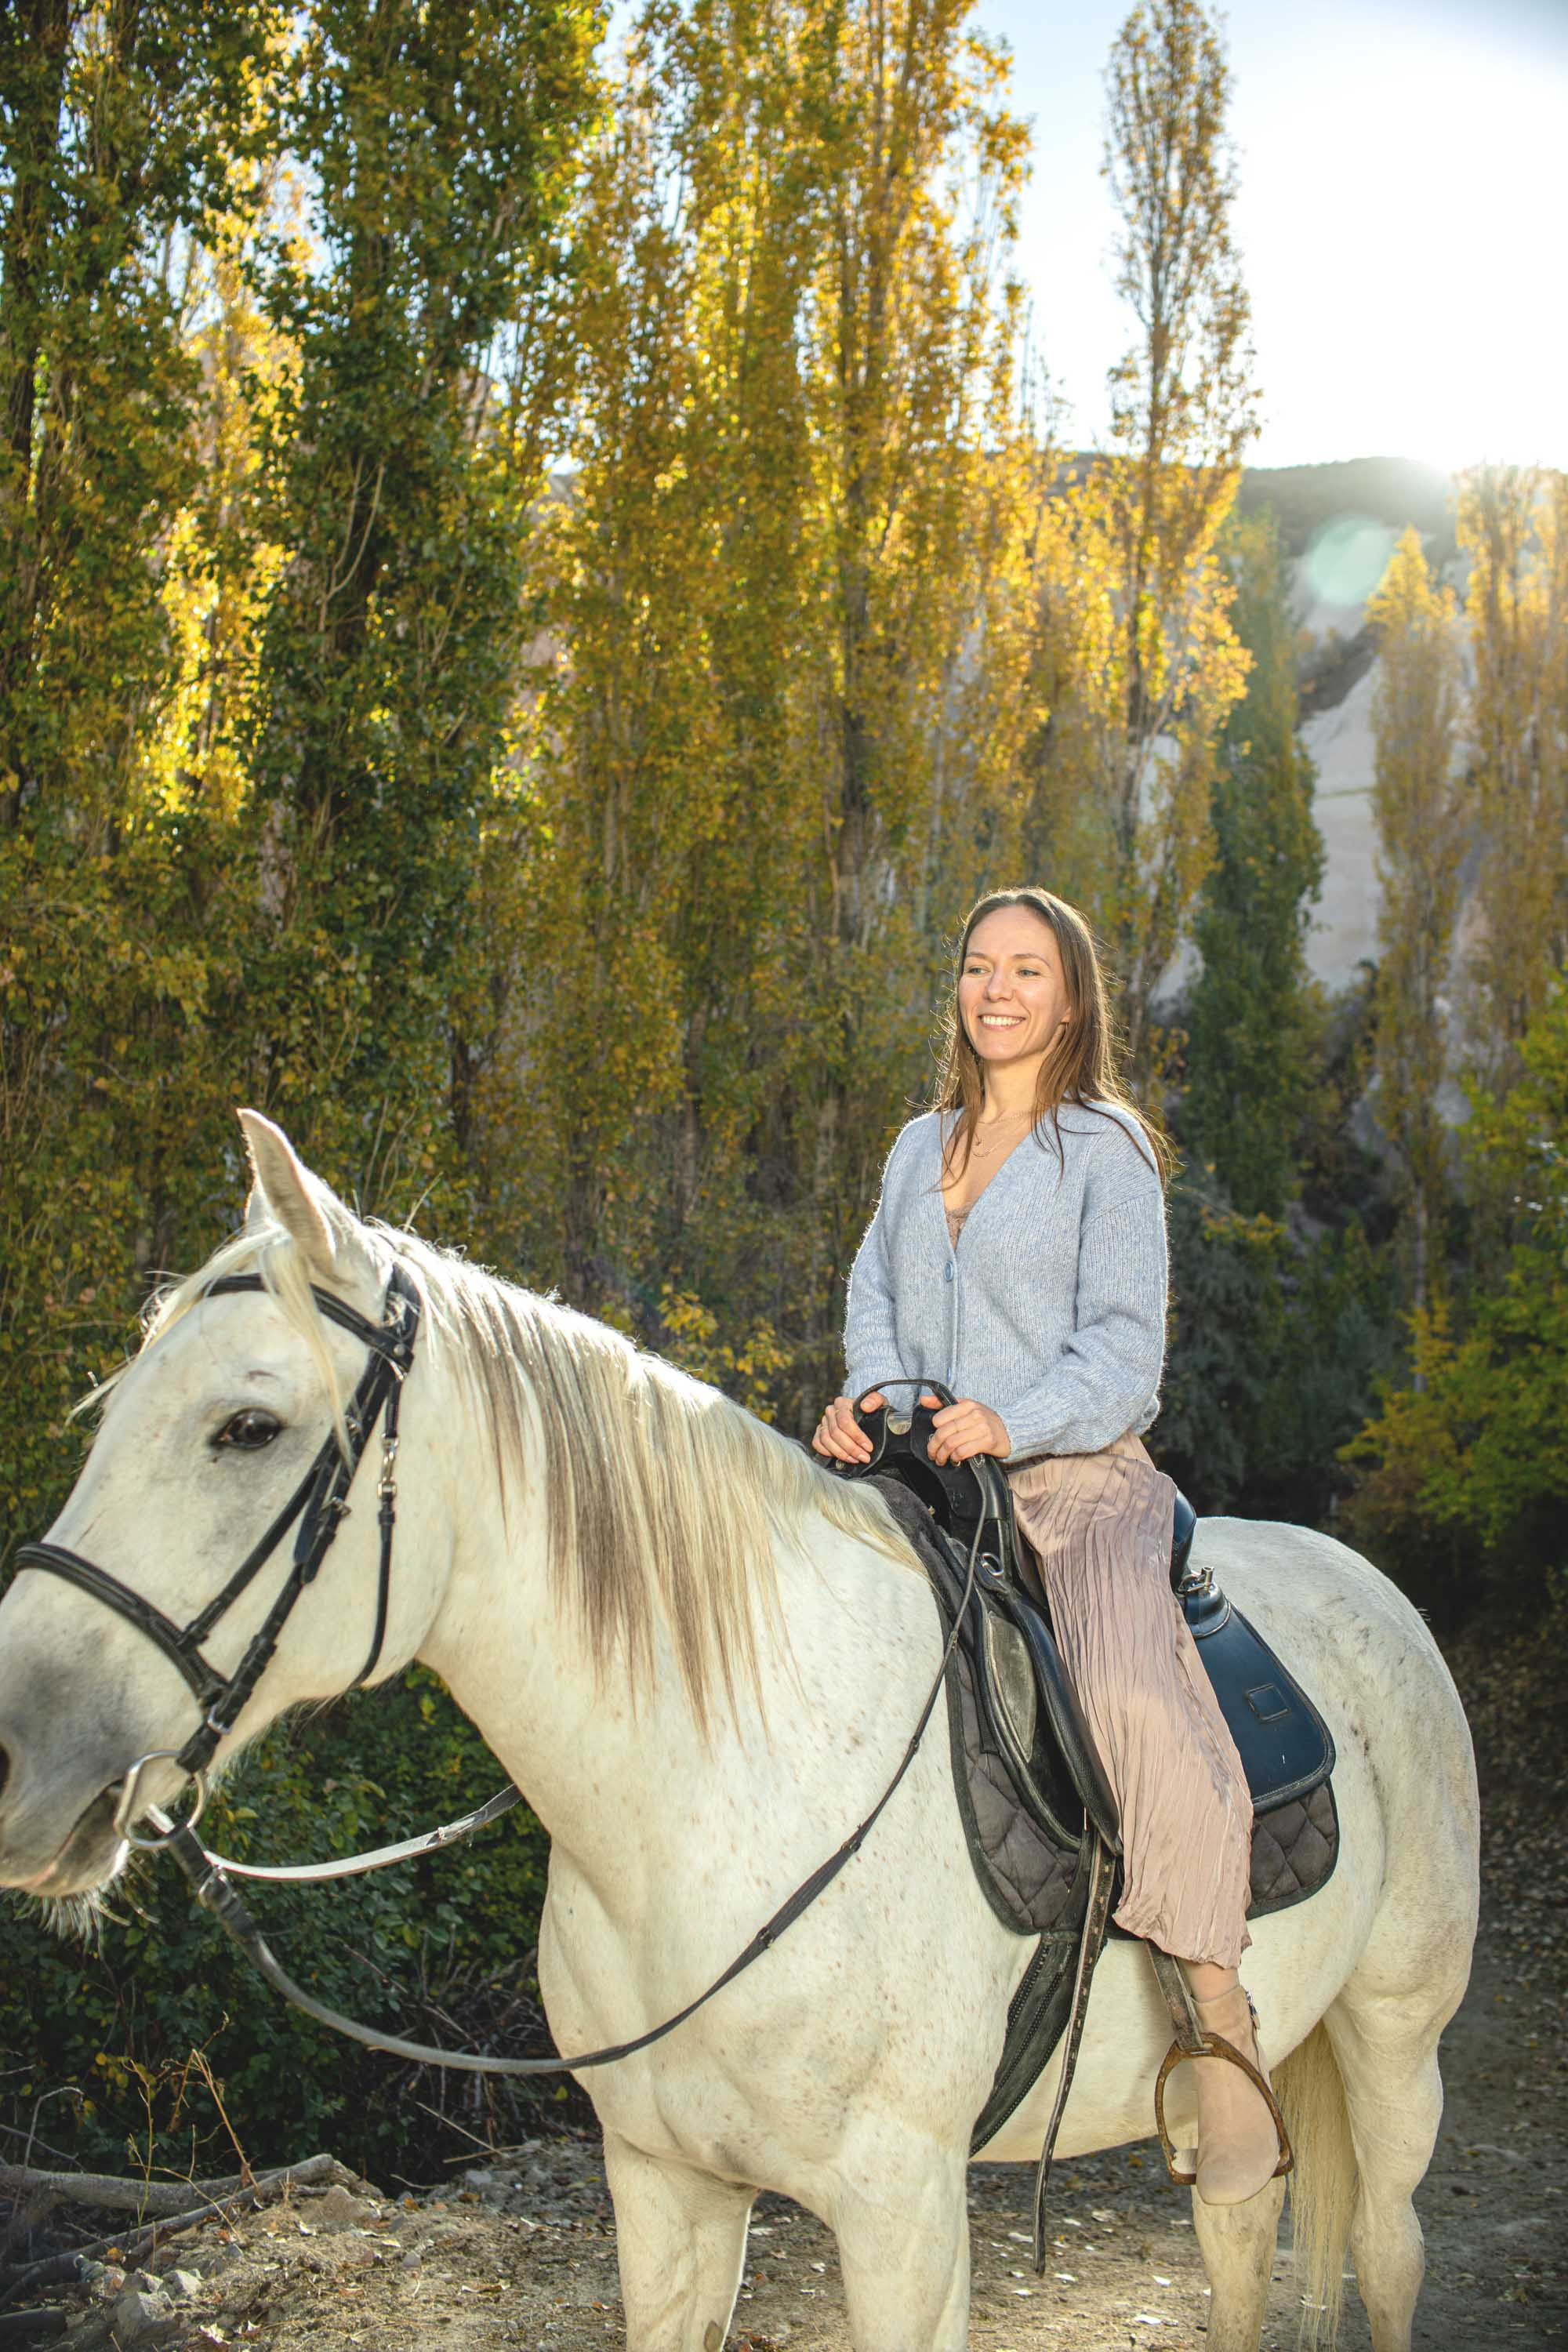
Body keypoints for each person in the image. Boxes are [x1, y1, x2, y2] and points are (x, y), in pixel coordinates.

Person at [811, 884, 1279, 2207]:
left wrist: (1013, 1418)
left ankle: (1218, 2018)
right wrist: (868, 1401)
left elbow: (1127, 1354)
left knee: (1132, 1696)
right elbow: (873, 1297)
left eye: (1026, 970)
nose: (997, 990)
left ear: (1072, 998)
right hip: (921, 1478)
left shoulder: (1107, 1150)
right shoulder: (919, 1145)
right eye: (977, 968)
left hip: (1072, 1483)